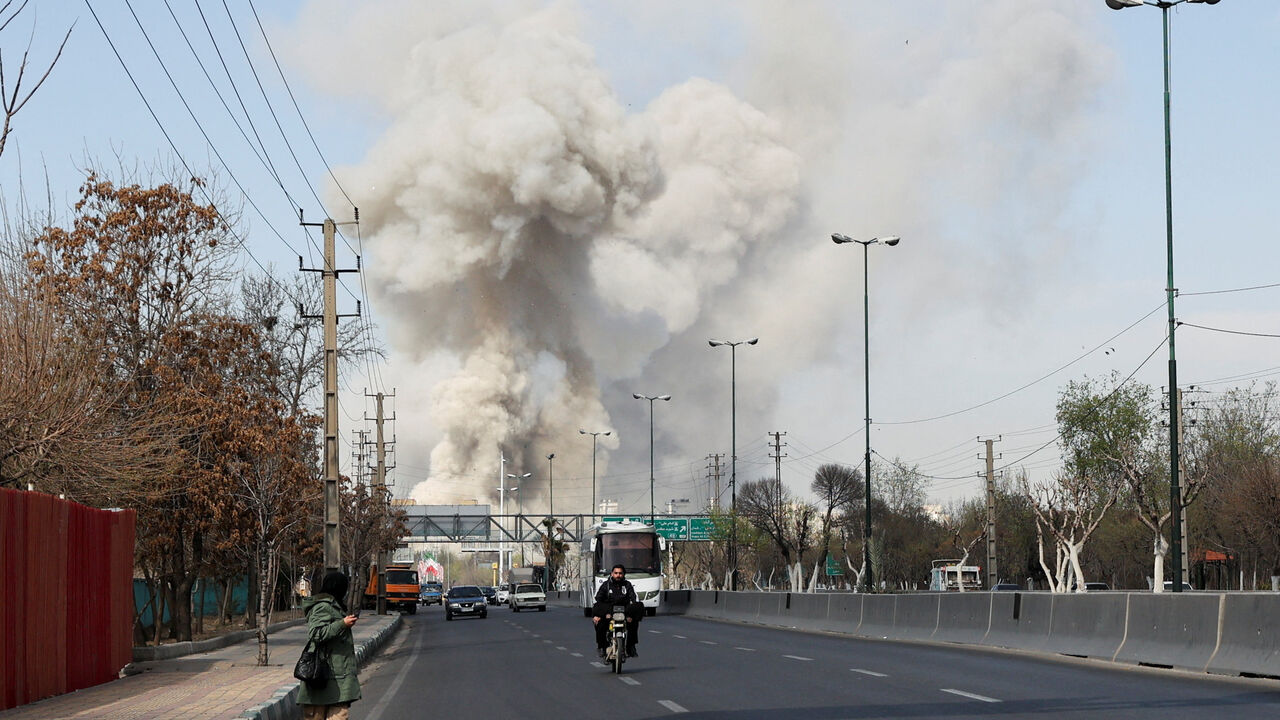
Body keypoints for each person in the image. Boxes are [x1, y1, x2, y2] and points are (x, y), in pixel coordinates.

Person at [297, 571, 362, 720]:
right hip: (321, 676)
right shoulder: (322, 606)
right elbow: (315, 634)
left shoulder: (335, 606)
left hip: (337, 678)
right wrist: (342, 624)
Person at [592, 564, 643, 657]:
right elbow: (598, 599)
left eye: (620, 573)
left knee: (638, 609)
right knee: (599, 621)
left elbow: (633, 598)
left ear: (623, 574)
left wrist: (631, 615)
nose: (618, 575)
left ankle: (630, 647)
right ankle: (602, 647)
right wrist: (599, 615)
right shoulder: (606, 585)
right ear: (612, 574)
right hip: (608, 610)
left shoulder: (627, 585)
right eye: (616, 573)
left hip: (624, 610)